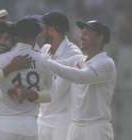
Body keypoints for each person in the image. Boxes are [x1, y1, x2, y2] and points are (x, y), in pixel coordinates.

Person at [42, 20, 116, 140]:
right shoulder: (78, 60)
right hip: (75, 127)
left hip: (96, 128)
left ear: (100, 38)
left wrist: (45, 62)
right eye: (81, 33)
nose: (81, 37)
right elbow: (58, 65)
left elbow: (79, 77)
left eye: (86, 34)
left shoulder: (106, 63)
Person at [0, 17, 53, 140]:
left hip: (2, 123)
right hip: (30, 126)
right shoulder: (43, 61)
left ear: (15, 37)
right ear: (35, 37)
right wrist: (32, 94)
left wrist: (8, 69)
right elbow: (50, 95)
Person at [37, 12, 83, 140]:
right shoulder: (45, 49)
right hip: (42, 118)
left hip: (62, 122)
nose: (42, 32)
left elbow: (56, 94)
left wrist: (30, 96)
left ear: (53, 29)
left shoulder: (74, 55)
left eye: (44, 28)